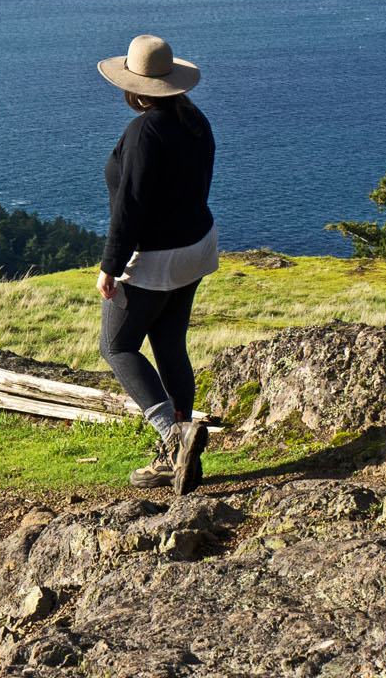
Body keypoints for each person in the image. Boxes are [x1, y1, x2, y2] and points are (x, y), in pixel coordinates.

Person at [95, 32, 218, 493]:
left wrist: (111, 263)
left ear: (134, 87)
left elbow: (132, 205)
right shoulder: (193, 119)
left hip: (155, 259)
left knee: (117, 346)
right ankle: (183, 456)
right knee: (169, 344)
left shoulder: (144, 131)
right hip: (196, 247)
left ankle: (174, 436)